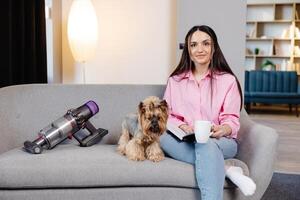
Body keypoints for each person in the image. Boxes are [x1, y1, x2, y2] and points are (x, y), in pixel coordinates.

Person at [160, 25, 256, 200]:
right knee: (159, 136)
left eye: (206, 44)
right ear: (188, 50)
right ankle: (227, 169)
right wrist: (182, 126)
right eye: (193, 45)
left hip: (220, 141)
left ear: (214, 48)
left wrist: (222, 129)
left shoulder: (228, 81)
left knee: (206, 144)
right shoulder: (175, 81)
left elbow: (231, 120)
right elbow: (168, 116)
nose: (200, 49)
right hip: (186, 139)